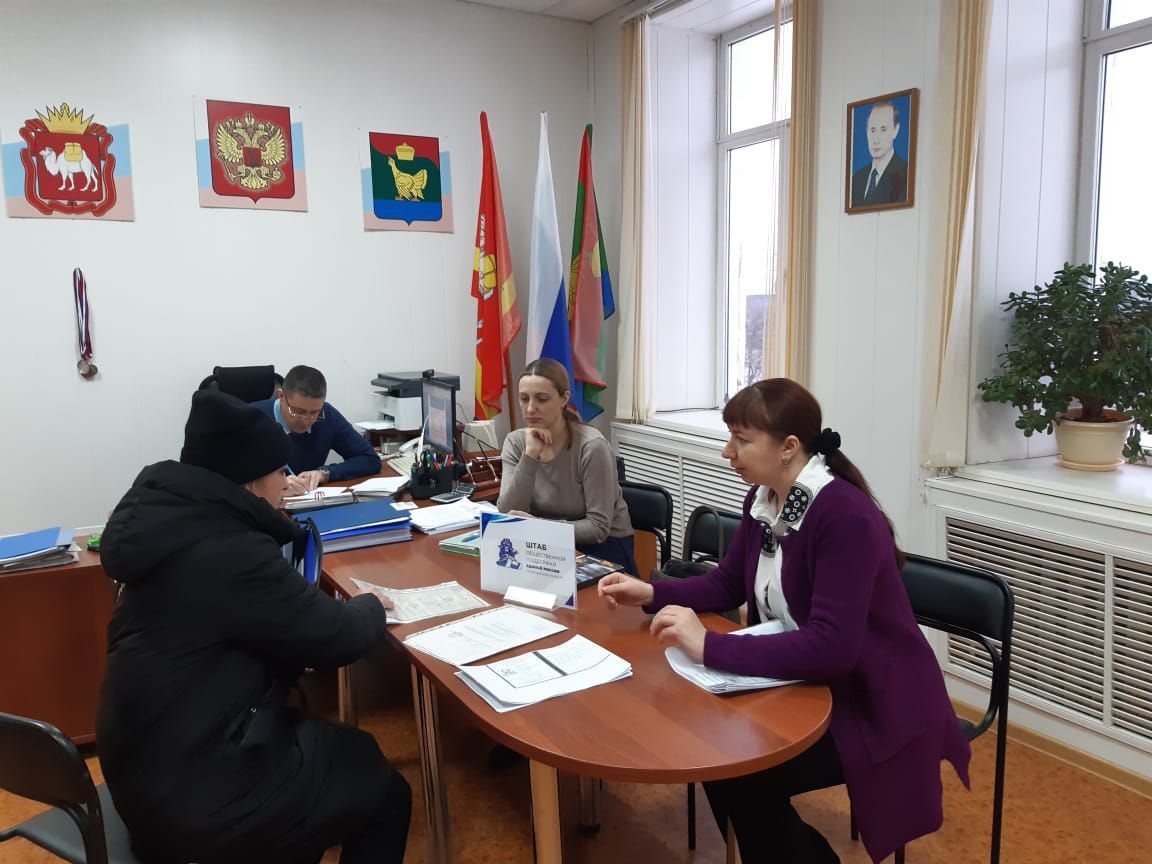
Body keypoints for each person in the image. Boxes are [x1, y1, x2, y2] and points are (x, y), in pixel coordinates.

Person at [597, 379, 969, 864]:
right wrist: (651, 592)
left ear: (789, 447)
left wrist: (710, 646)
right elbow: (729, 583)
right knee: (719, 755)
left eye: (742, 439)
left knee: (740, 771)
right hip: (805, 680)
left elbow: (834, 648)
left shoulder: (844, 517)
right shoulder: (767, 499)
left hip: (873, 702)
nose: (728, 452)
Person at [97, 390, 410, 864]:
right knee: (383, 790)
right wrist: (370, 605)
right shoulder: (229, 552)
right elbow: (335, 637)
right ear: (250, 481)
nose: (285, 484)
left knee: (336, 755)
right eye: (279, 472)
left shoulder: (174, 526)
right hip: (192, 793)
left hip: (143, 763)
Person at [497, 357, 637, 576]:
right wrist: (530, 455)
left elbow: (598, 528)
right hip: (547, 544)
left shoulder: (591, 446)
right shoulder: (516, 442)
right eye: (524, 399)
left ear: (564, 398)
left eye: (542, 399)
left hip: (603, 548)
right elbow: (508, 512)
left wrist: (540, 527)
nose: (530, 408)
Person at [252, 364, 381, 494]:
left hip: (309, 499)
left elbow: (370, 459)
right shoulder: (252, 419)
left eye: (315, 412)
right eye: (299, 412)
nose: (307, 420)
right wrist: (275, 487)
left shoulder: (327, 415)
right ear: (281, 397)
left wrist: (325, 473)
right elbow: (240, 482)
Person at [850, 99, 908, 207]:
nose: (876, 140)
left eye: (883, 129)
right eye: (872, 130)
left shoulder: (906, 175)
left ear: (895, 130)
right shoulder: (857, 179)